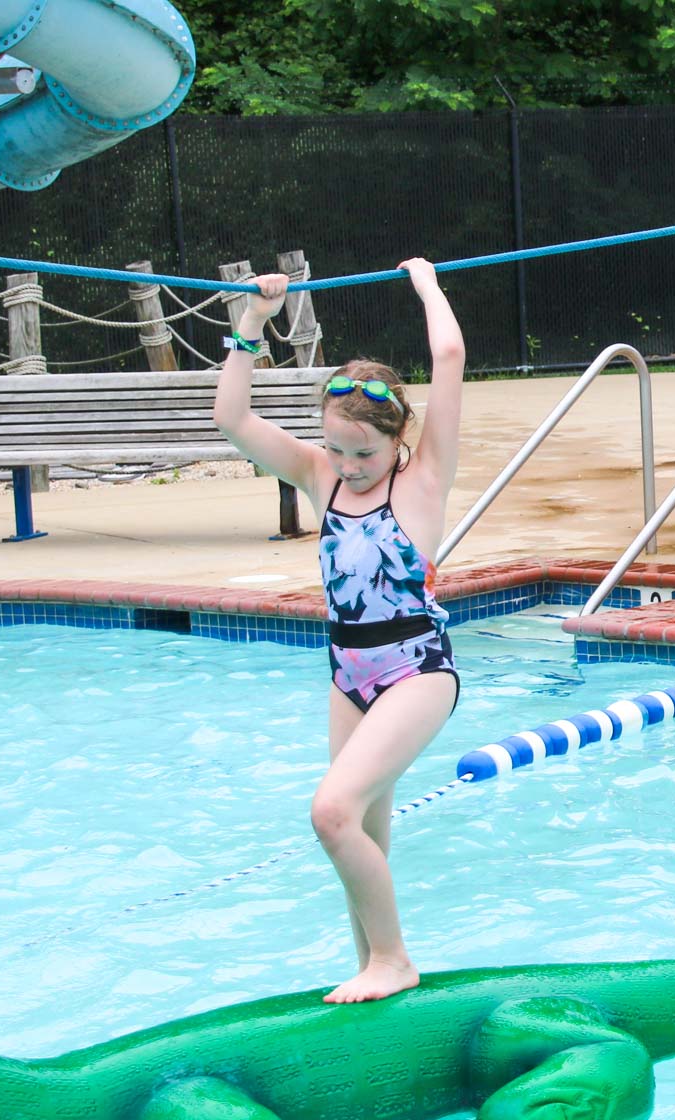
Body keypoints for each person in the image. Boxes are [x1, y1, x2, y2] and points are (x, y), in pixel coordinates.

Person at [212, 260, 467, 1003]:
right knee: (363, 828)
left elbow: (448, 357)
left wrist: (425, 284)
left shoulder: (422, 481)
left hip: (418, 668)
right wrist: (251, 325)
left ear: (398, 442)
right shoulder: (320, 476)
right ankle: (373, 968)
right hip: (348, 673)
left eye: (367, 453)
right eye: (340, 450)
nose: (351, 467)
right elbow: (232, 420)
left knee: (330, 812)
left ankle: (393, 959)